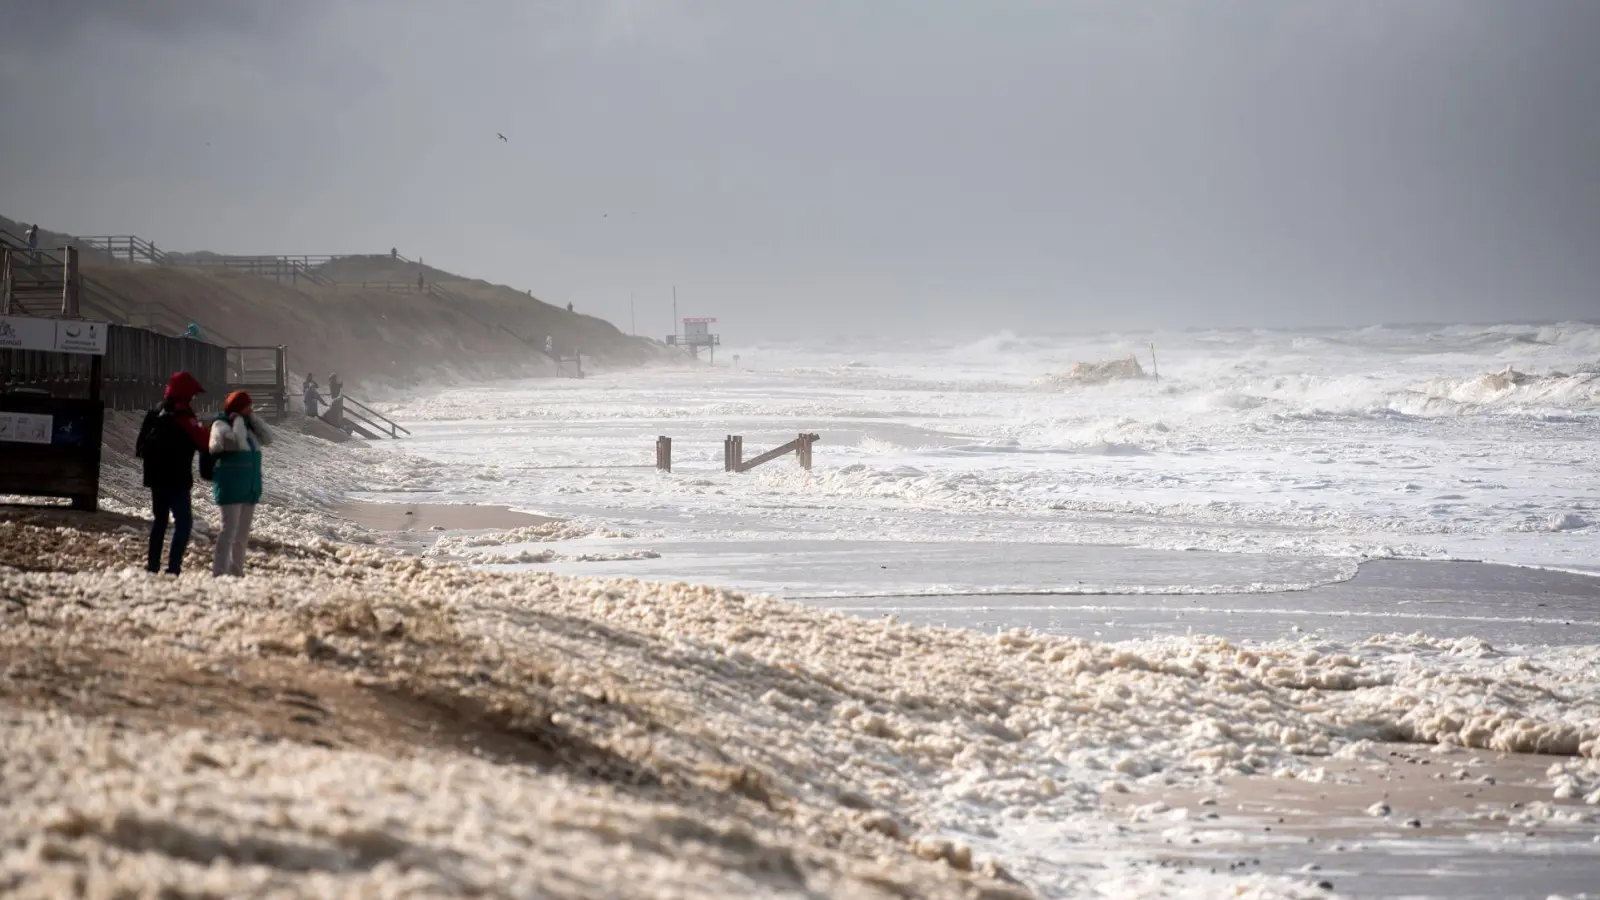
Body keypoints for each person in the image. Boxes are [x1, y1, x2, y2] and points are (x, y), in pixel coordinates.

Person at [135, 372, 210, 575]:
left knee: (160, 521)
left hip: (155, 478)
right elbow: (204, 443)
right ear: (186, 394)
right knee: (183, 524)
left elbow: (139, 447)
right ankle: (173, 568)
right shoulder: (185, 417)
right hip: (177, 479)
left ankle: (152, 567)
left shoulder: (156, 412)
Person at [209, 391, 273, 577]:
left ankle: (236, 571)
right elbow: (235, 444)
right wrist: (237, 423)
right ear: (237, 407)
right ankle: (219, 572)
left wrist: (253, 420)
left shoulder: (249, 428)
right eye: (247, 407)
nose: (249, 410)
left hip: (248, 487)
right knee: (228, 532)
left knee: (242, 536)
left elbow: (268, 438)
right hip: (230, 487)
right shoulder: (221, 425)